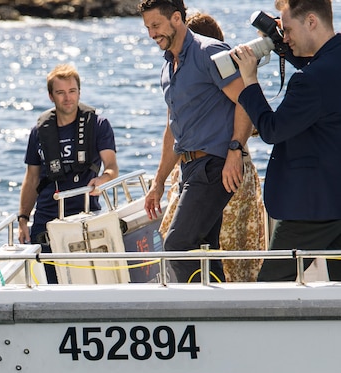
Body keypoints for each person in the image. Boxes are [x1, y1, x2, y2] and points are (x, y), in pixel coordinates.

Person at [139, 0, 253, 283]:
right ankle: (217, 316)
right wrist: (159, 181)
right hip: (189, 170)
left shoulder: (210, 52)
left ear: (176, 18)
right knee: (206, 251)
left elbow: (248, 101)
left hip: (215, 167)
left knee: (176, 246)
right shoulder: (168, 68)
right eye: (147, 28)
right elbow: (172, 129)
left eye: (156, 25)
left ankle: (192, 311)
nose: (151, 34)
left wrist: (235, 151)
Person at [232, 0, 341, 281]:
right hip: (332, 199)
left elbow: (271, 130)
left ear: (312, 22)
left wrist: (250, 79)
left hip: (313, 207)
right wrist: (281, 44)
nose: (287, 36)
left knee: (270, 289)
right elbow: (319, 65)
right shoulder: (331, 61)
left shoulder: (310, 81)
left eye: (289, 29)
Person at [17, 63, 118, 284]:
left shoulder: (99, 125)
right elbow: (31, 178)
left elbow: (111, 167)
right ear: (51, 96)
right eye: (60, 93)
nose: (67, 98)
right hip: (46, 220)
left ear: (79, 92)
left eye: (72, 91)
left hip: (84, 216)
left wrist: (102, 179)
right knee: (51, 285)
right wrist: (23, 218)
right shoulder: (38, 132)